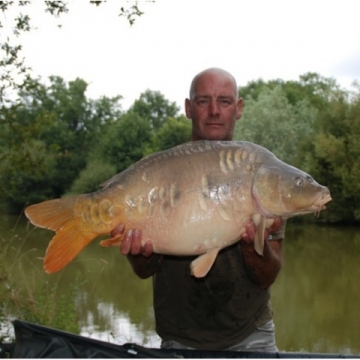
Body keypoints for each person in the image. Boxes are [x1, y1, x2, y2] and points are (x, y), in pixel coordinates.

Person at [112, 68, 285, 352]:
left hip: (251, 335)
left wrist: (251, 243)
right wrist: (137, 251)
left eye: (225, 101)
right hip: (180, 338)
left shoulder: (263, 174)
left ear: (238, 108)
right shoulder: (160, 172)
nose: (214, 111)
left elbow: (268, 275)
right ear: (188, 108)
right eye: (204, 101)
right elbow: (144, 271)